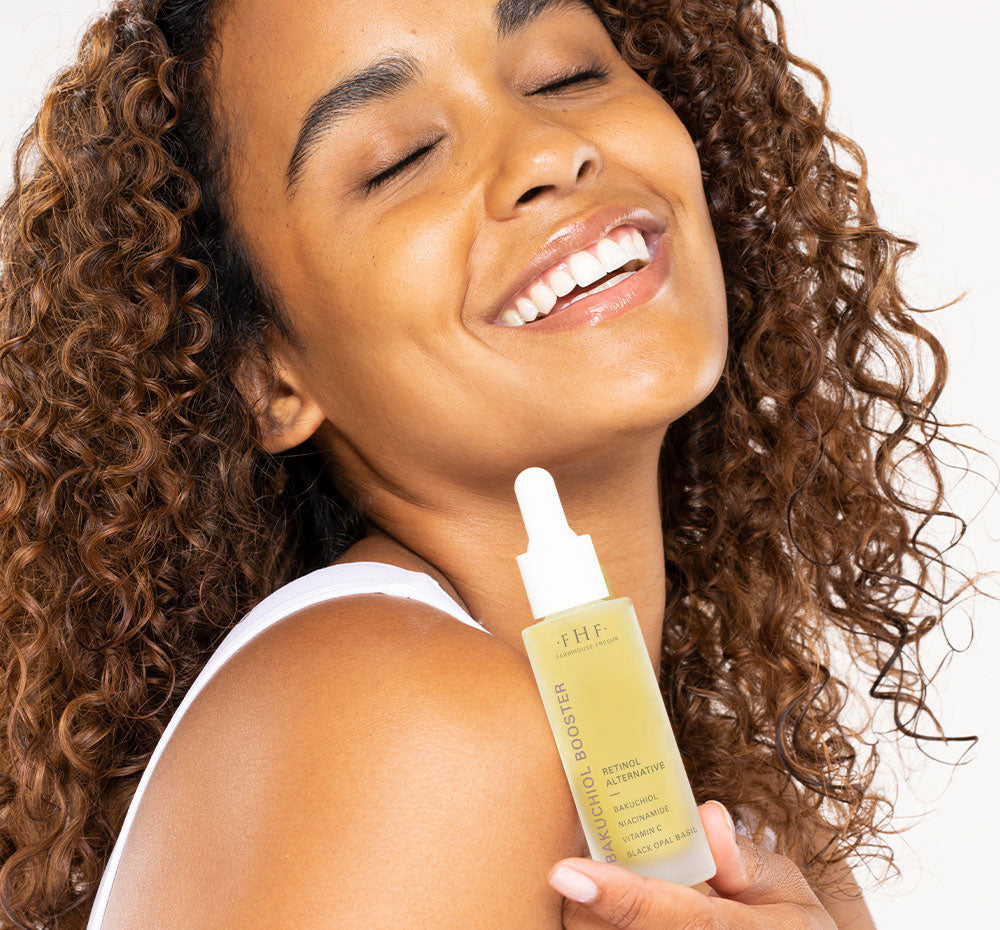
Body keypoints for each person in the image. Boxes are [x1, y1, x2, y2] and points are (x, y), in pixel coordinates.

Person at [1, 0, 991, 927]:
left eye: (565, 74)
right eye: (401, 157)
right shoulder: (408, 725)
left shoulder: (739, 808)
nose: (550, 153)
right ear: (265, 378)